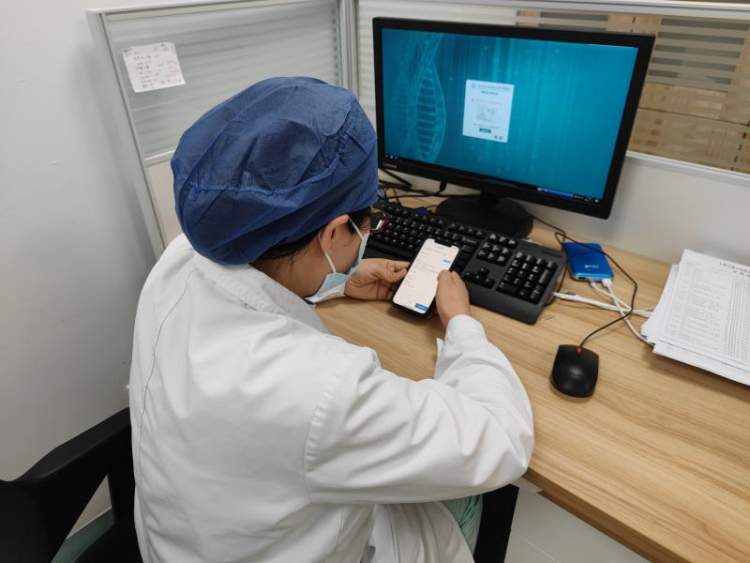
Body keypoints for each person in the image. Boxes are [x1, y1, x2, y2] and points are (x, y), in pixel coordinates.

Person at [129, 77, 533, 563]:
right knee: (468, 496)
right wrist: (462, 326)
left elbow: (254, 287)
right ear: (336, 230)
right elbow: (500, 442)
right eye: (370, 221)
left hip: (185, 537)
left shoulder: (178, 261)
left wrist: (338, 281)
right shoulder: (322, 389)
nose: (369, 230)